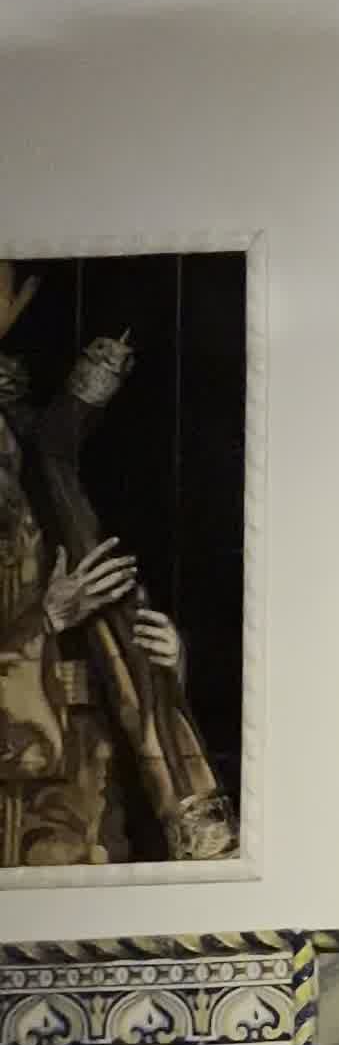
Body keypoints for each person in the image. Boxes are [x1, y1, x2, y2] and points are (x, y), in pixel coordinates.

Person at [0, 354, 186, 868]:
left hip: (87, 788)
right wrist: (47, 621)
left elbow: (126, 681)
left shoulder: (64, 524)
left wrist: (164, 667)